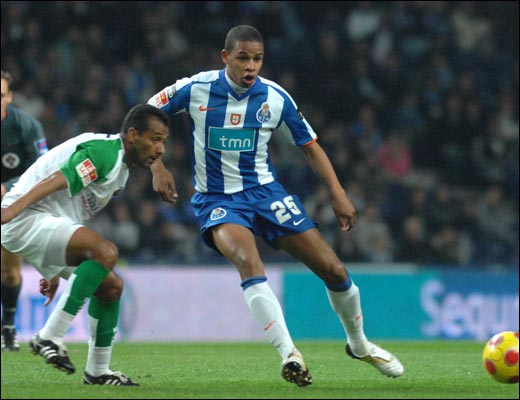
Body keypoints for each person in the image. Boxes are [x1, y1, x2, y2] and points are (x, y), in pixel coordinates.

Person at [148, 25, 404, 386]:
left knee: (334, 271)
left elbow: (310, 147)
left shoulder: (275, 97)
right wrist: (156, 165)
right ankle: (290, 354)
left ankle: (359, 345)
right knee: (248, 262)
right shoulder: (195, 88)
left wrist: (338, 193)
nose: (251, 66)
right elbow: (145, 115)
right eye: (243, 58)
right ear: (225, 57)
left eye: (257, 59)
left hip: (267, 195)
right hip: (219, 200)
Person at [1, 104, 175, 386]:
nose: (160, 150)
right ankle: (50, 336)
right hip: (26, 217)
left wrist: (51, 268)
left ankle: (98, 370)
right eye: (155, 139)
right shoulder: (105, 152)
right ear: (133, 135)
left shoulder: (121, 175)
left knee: (111, 286)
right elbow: (57, 180)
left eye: (163, 142)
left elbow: (70, 210)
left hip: (45, 222)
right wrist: (11, 209)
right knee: (105, 252)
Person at [1, 70, 49, 352]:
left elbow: (43, 169)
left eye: (0, 95)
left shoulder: (27, 126)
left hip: (12, 204)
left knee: (9, 271)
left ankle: (8, 325)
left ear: (9, 97)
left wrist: (8, 187)